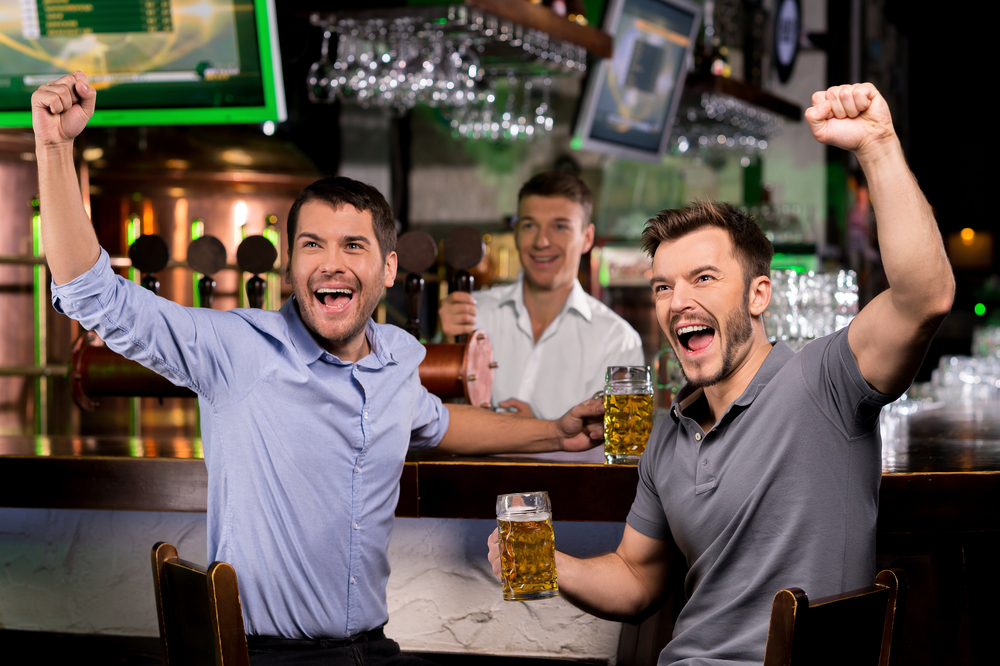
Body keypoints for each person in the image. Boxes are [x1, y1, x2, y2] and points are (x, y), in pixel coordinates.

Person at [31, 71, 604, 666]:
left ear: (386, 269)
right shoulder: (238, 349)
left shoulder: (398, 357)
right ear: (289, 269)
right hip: (270, 657)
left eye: (352, 246)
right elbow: (92, 294)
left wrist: (555, 432)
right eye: (313, 245)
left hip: (372, 649)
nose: (332, 264)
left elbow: (437, 422)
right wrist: (54, 146)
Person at [489, 83, 954, 664]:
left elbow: (924, 296)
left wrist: (878, 145)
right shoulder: (668, 432)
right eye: (663, 286)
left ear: (759, 294)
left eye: (703, 279)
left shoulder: (824, 382)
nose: (677, 300)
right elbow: (637, 575)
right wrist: (551, 563)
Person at [438, 171, 644, 423]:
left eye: (560, 226)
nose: (542, 241)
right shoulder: (473, 313)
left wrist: (542, 435)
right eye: (529, 225)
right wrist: (446, 347)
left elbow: (621, 448)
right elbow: (432, 416)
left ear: (587, 238)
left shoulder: (619, 341)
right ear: (515, 233)